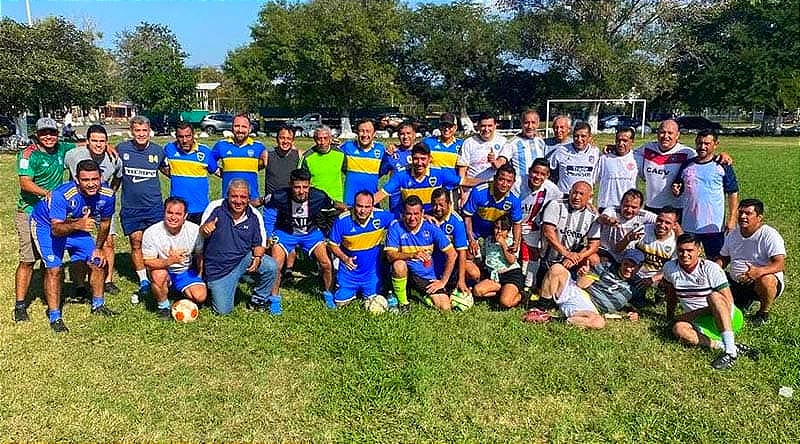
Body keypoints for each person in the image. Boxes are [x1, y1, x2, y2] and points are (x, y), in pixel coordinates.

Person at [29, 160, 116, 332]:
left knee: (97, 261)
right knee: (54, 269)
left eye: (95, 179)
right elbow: (56, 229)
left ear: (101, 178)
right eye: (85, 180)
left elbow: (105, 223)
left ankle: (98, 304)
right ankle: (55, 316)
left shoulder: (108, 194)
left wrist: (99, 248)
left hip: (77, 225)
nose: (91, 184)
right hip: (47, 226)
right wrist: (77, 225)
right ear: (77, 179)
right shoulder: (61, 195)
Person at [13, 117, 76, 322]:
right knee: (28, 259)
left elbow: (83, 145)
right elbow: (25, 183)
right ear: (37, 135)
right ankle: (20, 305)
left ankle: (48, 293)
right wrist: (47, 193)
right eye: (44, 133)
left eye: (52, 132)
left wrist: (108, 146)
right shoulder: (28, 154)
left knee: (50, 257)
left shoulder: (62, 148)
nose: (49, 136)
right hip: (30, 211)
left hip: (51, 213)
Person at [663, 233, 757, 370]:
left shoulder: (710, 268)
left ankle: (730, 353)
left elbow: (728, 301)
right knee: (679, 329)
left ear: (699, 250)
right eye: (681, 250)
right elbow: (671, 294)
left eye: (690, 250)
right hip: (700, 323)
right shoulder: (670, 268)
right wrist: (670, 316)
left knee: (714, 297)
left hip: (727, 317)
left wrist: (702, 311)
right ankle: (726, 346)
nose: (684, 254)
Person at [199, 179, 278, 315]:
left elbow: (259, 244)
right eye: (234, 196)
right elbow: (201, 233)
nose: (238, 201)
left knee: (271, 266)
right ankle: (212, 286)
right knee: (223, 311)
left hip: (242, 260)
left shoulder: (254, 215)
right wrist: (205, 230)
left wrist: (258, 256)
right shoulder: (216, 208)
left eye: (243, 197)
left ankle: (258, 300)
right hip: (219, 269)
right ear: (227, 195)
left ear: (248, 198)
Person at [263, 169, 338, 309]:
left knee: (326, 263)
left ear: (310, 186)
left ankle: (328, 294)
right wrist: (268, 234)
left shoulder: (319, 196)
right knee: (276, 265)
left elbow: (334, 205)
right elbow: (265, 206)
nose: (301, 191)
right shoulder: (279, 196)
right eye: (297, 187)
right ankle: (274, 300)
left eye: (305, 187)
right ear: (290, 185)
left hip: (311, 233)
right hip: (285, 233)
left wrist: (348, 208)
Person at [64, 124, 123, 296]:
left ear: (107, 142)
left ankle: (108, 280)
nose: (98, 144)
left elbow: (118, 177)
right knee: (79, 243)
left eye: (102, 141)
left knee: (109, 241)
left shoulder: (114, 159)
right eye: (94, 141)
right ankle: (79, 284)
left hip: (101, 204)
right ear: (87, 142)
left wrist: (110, 194)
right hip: (79, 204)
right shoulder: (73, 155)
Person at [117, 115, 168, 304]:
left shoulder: (158, 151)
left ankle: (160, 275)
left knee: (156, 243)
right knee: (136, 242)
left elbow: (167, 169)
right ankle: (143, 280)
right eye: (137, 131)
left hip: (154, 206)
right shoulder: (122, 149)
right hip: (131, 207)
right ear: (132, 131)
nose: (141, 134)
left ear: (149, 132)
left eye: (144, 131)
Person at [530, 249, 646, 328]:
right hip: (578, 292)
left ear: (639, 267)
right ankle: (539, 309)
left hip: (590, 308)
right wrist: (585, 274)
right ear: (621, 262)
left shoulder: (637, 285)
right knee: (556, 269)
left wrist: (635, 313)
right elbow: (581, 285)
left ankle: (550, 319)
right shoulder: (607, 267)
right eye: (626, 264)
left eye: (633, 266)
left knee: (598, 322)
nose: (628, 269)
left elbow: (638, 307)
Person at [717, 199, 786, 326]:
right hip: (736, 282)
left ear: (759, 217)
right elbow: (724, 258)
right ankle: (742, 301)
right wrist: (714, 269)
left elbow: (780, 264)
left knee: (767, 280)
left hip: (758, 282)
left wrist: (758, 272)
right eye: (741, 213)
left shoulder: (769, 235)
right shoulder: (732, 234)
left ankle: (763, 313)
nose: (742, 216)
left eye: (748, 213)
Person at [672, 130, 739, 259]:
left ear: (715, 144)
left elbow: (733, 193)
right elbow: (678, 185)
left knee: (716, 260)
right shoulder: (687, 164)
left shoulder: (722, 165)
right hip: (689, 224)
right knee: (686, 258)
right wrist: (676, 189)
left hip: (713, 225)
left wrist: (731, 219)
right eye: (699, 143)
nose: (702, 147)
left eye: (707, 143)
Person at [385, 196, 457, 312]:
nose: (412, 218)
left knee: (445, 307)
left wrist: (443, 281)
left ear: (422, 213)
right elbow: (390, 255)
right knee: (398, 265)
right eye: (408, 214)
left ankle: (416, 292)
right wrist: (412, 255)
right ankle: (403, 303)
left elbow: (452, 254)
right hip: (405, 271)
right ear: (403, 213)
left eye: (416, 214)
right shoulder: (396, 226)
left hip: (425, 275)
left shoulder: (431, 227)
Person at [142, 197, 207, 320]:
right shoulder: (151, 232)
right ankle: (163, 306)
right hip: (163, 270)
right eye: (170, 212)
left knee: (200, 296)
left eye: (178, 214)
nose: (173, 217)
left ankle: (175, 291)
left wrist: (200, 275)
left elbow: (200, 255)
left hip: (185, 271)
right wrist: (169, 261)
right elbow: (148, 262)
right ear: (164, 213)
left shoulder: (194, 230)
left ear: (185, 216)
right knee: (158, 275)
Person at [375, 143, 482, 216]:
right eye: (416, 159)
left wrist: (489, 183)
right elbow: (382, 194)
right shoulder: (401, 174)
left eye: (423, 159)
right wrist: (364, 206)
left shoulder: (439, 172)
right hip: (412, 219)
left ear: (430, 159)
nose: (419, 162)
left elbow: (464, 181)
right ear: (411, 159)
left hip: (434, 218)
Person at [327, 191, 395, 307]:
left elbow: (403, 219)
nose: (363, 210)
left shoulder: (382, 216)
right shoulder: (342, 220)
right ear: (354, 205)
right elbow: (332, 244)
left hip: (371, 273)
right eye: (359, 206)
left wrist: (425, 217)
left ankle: (374, 285)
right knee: (340, 303)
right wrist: (345, 258)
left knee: (373, 300)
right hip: (349, 273)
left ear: (372, 207)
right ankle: (344, 286)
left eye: (367, 207)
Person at [536, 181, 600, 303]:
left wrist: (576, 257)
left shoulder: (592, 216)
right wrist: (566, 253)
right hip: (548, 260)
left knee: (594, 258)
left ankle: (591, 296)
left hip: (571, 261)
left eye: (581, 194)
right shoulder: (556, 205)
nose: (577, 197)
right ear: (569, 192)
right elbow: (548, 232)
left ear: (589, 197)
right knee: (549, 281)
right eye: (574, 193)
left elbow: (594, 245)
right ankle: (546, 299)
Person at [633, 119, 695, 214]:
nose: (666, 136)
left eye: (670, 133)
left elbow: (705, 159)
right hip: (651, 207)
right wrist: (612, 148)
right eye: (662, 132)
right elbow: (626, 154)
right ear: (657, 133)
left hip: (676, 209)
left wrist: (723, 157)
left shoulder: (687, 152)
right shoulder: (647, 148)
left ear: (677, 135)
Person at [462, 164, 523, 259]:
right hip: (475, 233)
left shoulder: (514, 200)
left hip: (495, 236)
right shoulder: (479, 192)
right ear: (495, 178)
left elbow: (517, 223)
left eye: (509, 181)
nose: (504, 184)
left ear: (513, 182)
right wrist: (471, 239)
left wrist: (516, 242)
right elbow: (467, 216)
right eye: (501, 179)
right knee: (470, 256)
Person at [519, 159, 562, 293]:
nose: (537, 176)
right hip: (512, 224)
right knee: (510, 252)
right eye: (535, 172)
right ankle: (509, 281)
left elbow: (562, 199)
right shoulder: (517, 183)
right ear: (529, 171)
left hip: (533, 226)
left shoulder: (552, 189)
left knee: (533, 254)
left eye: (542, 174)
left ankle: (529, 284)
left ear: (547, 175)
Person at [163, 122, 218, 224]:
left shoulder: (204, 152)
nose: (184, 140)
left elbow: (216, 171)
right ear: (176, 136)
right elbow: (161, 165)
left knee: (199, 239)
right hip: (177, 209)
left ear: (193, 135)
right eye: (181, 136)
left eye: (188, 136)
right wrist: (172, 175)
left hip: (200, 208)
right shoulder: (169, 149)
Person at [429, 188, 479, 295]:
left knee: (474, 273)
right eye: (434, 204)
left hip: (451, 263)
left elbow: (462, 253)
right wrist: (424, 216)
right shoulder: (427, 217)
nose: (437, 208)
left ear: (449, 204)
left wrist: (461, 280)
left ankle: (461, 284)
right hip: (431, 262)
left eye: (441, 205)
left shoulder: (457, 222)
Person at [211, 114, 266, 207]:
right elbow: (209, 159)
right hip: (228, 200)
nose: (240, 130)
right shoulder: (222, 145)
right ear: (232, 127)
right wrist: (216, 170)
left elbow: (265, 162)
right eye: (237, 126)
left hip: (251, 201)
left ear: (250, 129)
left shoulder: (258, 147)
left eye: (244, 127)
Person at [630, 206, 680, 306]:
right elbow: (628, 252)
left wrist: (653, 279)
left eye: (667, 223)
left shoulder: (676, 242)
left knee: (671, 284)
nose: (662, 225)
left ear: (674, 226)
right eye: (660, 220)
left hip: (657, 277)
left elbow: (672, 267)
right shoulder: (643, 230)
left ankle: (660, 295)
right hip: (635, 274)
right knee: (634, 299)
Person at [472, 216, 524, 308]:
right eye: (496, 228)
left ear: (508, 231)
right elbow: (483, 257)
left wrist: (503, 244)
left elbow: (511, 260)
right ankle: (502, 291)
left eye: (503, 229)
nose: (499, 231)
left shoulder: (512, 241)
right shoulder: (488, 240)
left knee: (505, 302)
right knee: (477, 291)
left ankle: (521, 296)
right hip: (494, 275)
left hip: (510, 274)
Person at [596, 189, 657, 264]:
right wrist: (608, 220)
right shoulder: (612, 210)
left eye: (634, 207)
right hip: (606, 252)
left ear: (640, 208)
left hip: (628, 256)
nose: (629, 210)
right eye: (626, 206)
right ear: (621, 204)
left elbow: (662, 220)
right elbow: (601, 218)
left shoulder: (644, 215)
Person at [341, 119, 387, 206]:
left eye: (368, 131)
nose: (365, 134)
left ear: (374, 133)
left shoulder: (380, 149)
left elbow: (384, 169)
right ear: (357, 133)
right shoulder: (347, 147)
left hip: (372, 201)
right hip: (350, 201)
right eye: (361, 131)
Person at [548, 121, 600, 193]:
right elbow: (550, 171)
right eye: (576, 136)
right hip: (564, 197)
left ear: (590, 137)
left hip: (585, 199)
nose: (579, 139)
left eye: (583, 136)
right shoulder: (561, 151)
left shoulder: (595, 152)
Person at [457, 112, 510, 182]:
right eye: (483, 126)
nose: (486, 129)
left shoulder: (503, 141)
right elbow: (462, 170)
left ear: (495, 125)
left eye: (490, 126)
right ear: (478, 126)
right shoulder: (469, 142)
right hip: (473, 186)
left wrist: (493, 161)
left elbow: (502, 165)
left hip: (495, 186)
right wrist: (462, 189)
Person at [507, 110, 547, 200]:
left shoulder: (540, 142)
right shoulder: (512, 143)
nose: (530, 126)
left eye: (533, 122)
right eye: (526, 123)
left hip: (538, 187)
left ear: (537, 124)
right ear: (521, 123)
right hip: (519, 189)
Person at [300, 126, 346, 204]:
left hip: (337, 203)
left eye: (325, 138)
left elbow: (350, 174)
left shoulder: (340, 154)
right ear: (314, 139)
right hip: (315, 203)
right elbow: (300, 181)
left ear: (330, 139)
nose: (322, 142)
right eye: (319, 139)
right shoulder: (307, 157)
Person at [596, 127, 638, 210]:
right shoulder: (604, 158)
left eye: (625, 141)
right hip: (606, 207)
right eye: (618, 140)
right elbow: (593, 180)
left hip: (627, 207)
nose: (620, 143)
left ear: (632, 141)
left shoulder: (637, 158)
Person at [380, 122, 417, 212]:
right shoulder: (393, 153)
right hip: (396, 201)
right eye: (402, 134)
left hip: (415, 199)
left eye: (408, 133)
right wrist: (386, 156)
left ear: (414, 135)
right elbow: (381, 172)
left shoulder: (421, 153)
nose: (405, 137)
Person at [263, 124, 301, 202]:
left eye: (289, 138)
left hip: (291, 203)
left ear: (293, 141)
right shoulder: (267, 154)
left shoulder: (299, 155)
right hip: (271, 203)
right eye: (282, 138)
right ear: (277, 139)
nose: (285, 141)